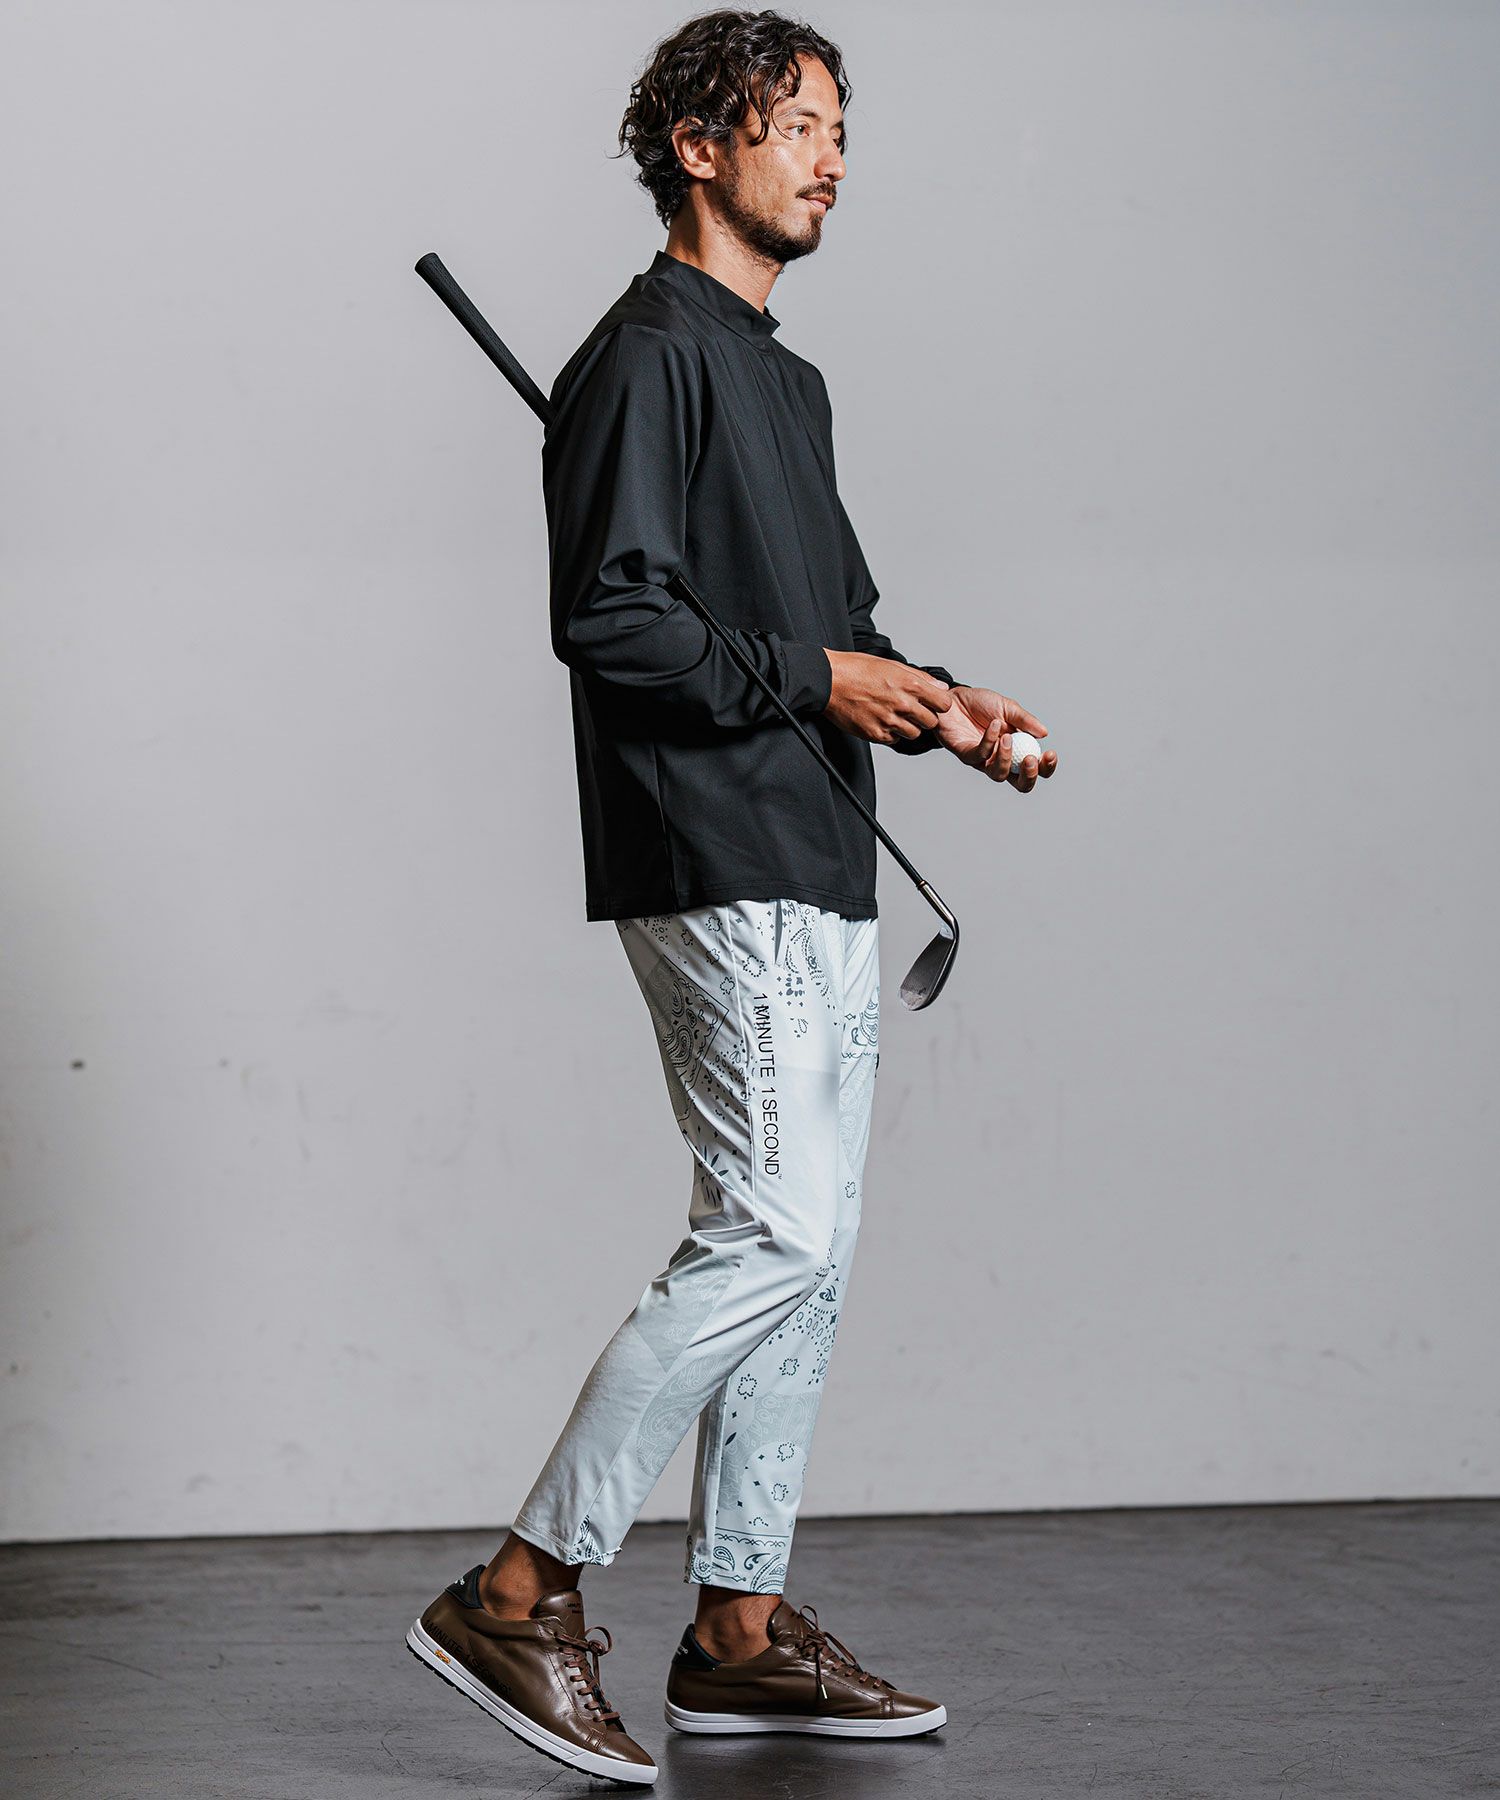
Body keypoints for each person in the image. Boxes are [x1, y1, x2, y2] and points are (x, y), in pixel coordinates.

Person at [405, 8, 1057, 1784]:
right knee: (769, 1228)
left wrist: (943, 706)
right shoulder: (642, 358)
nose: (833, 157)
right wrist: (818, 676)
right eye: (799, 123)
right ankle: (520, 1591)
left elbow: (836, 633)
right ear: (702, 146)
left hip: (820, 847)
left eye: (842, 128)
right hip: (712, 848)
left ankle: (741, 1632)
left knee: (806, 1257)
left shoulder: (788, 381)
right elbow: (614, 620)